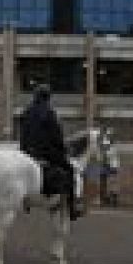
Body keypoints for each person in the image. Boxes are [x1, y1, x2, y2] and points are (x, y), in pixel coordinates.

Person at [19, 84, 82, 220]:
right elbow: (56, 136)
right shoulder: (49, 112)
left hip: (26, 152)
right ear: (48, 97)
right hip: (45, 152)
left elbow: (22, 134)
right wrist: (64, 149)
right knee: (70, 170)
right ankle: (72, 209)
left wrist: (24, 150)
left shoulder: (27, 111)